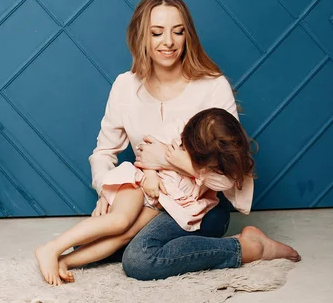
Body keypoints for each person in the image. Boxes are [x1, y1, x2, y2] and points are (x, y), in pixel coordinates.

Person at [40, 0, 300, 284]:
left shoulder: (213, 86)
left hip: (201, 205)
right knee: (104, 240)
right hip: (149, 196)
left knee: (139, 260)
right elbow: (103, 153)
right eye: (157, 33)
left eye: (178, 32)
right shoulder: (125, 86)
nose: (168, 42)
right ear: (142, 36)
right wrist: (107, 190)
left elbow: (233, 174)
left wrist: (170, 160)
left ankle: (247, 247)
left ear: (188, 35)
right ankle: (70, 253)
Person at [36, 107, 256, 285]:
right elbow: (145, 149)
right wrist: (150, 173)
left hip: (160, 204)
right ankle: (51, 248)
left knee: (124, 235)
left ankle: (65, 262)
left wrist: (180, 163)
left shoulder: (219, 168)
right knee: (119, 221)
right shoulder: (178, 130)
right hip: (138, 182)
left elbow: (223, 182)